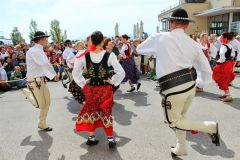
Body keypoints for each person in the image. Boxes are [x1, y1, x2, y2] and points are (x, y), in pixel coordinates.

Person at [137, 8, 220, 156]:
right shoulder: (194, 44)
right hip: (189, 86)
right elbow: (206, 70)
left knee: (173, 122)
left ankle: (210, 127)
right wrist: (201, 82)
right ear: (186, 25)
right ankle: (181, 147)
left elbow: (139, 49)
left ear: (171, 23)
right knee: (182, 117)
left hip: (172, 88)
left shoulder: (160, 37)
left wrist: (157, 50)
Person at [73, 31, 125, 149]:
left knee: (91, 110)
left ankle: (91, 138)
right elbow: (121, 72)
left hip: (90, 89)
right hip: (105, 88)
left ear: (92, 41)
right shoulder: (109, 55)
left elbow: (75, 72)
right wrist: (113, 81)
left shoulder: (84, 55)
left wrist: (82, 83)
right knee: (106, 112)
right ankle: (110, 139)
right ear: (102, 41)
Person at [22, 31, 57, 132]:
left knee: (47, 103)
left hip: (41, 80)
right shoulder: (35, 51)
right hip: (34, 80)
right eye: (45, 38)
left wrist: (52, 74)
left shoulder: (38, 50)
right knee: (41, 104)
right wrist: (54, 74)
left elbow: (44, 64)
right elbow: (45, 64)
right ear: (41, 39)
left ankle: (42, 123)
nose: (47, 40)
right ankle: (28, 94)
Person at [212, 32, 236, 102]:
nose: (221, 38)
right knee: (225, 78)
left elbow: (222, 56)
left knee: (222, 79)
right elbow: (233, 55)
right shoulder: (230, 46)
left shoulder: (224, 46)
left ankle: (228, 95)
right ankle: (226, 94)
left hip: (224, 64)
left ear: (225, 39)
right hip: (229, 64)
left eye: (222, 37)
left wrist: (218, 62)